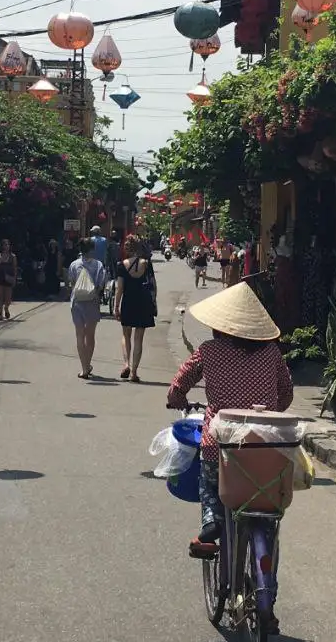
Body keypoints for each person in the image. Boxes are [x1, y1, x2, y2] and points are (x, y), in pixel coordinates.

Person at [166, 282, 293, 562]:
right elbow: (286, 394)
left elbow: (179, 384)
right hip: (265, 446)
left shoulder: (208, 351)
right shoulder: (272, 353)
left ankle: (210, 520)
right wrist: (270, 408)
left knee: (208, 479)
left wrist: (177, 399)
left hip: (220, 445)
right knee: (264, 498)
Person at [114, 234, 156, 382]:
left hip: (128, 301)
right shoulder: (146, 263)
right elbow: (153, 286)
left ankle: (126, 364)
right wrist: (154, 302)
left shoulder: (122, 265)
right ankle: (134, 372)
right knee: (139, 338)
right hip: (143, 302)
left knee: (126, 335)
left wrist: (116, 306)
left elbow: (119, 288)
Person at [66, 236, 107, 379]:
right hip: (92, 302)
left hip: (77, 302)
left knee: (79, 334)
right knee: (90, 335)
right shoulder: (98, 265)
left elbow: (71, 283)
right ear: (92, 249)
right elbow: (101, 284)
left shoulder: (74, 265)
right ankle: (87, 364)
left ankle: (84, 368)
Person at [0, 238, 18, 320]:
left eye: (8, 244)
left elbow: (15, 268)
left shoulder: (13, 257)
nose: (6, 246)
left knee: (8, 298)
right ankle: (0, 315)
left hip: (9, 278)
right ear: (1, 246)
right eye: (5, 244)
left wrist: (15, 278)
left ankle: (6, 308)